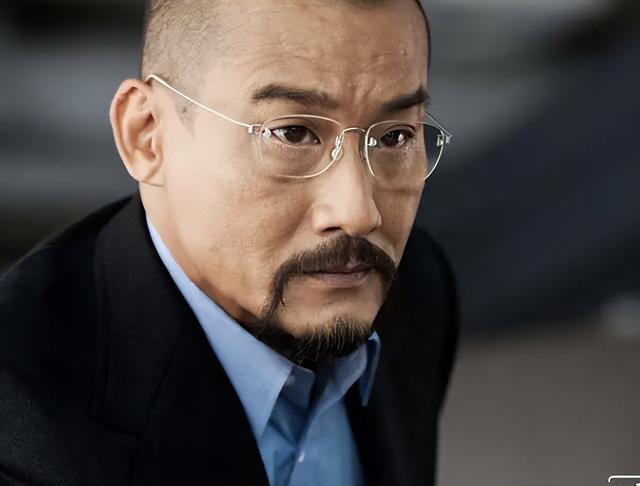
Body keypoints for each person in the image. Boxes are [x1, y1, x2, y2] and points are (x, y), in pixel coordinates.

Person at [0, 0, 458, 484]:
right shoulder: (21, 428)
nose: (359, 214)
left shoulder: (414, 288)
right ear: (146, 135)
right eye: (293, 133)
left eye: (395, 138)